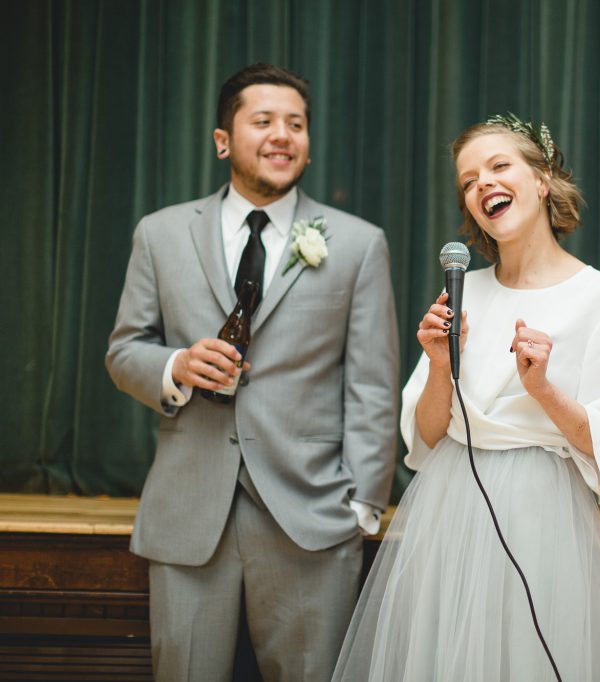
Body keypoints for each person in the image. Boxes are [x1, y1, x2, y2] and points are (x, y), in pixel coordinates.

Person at [106, 63, 399, 681]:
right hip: (188, 516)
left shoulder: (356, 243)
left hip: (313, 519)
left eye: (296, 124)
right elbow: (125, 350)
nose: (282, 135)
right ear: (223, 141)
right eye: (263, 121)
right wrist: (177, 365)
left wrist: (364, 505)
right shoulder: (160, 234)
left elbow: (372, 382)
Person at [333, 114, 600, 681]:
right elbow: (427, 438)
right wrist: (437, 365)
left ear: (542, 180)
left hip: (543, 516)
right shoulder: (464, 292)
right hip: (450, 514)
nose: (483, 184)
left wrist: (543, 391)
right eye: (469, 180)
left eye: (499, 167)